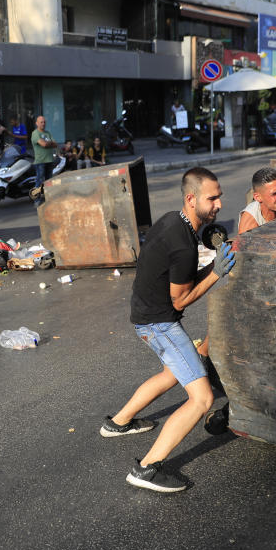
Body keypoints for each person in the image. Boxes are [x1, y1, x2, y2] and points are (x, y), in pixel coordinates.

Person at [100, 167, 235, 493]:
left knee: (172, 373)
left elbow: (180, 279)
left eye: (219, 196)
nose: (219, 204)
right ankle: (146, 468)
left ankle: (117, 423)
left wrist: (210, 265)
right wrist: (217, 273)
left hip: (144, 315)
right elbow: (182, 298)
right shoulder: (182, 243)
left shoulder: (173, 222)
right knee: (202, 399)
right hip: (159, 323)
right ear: (191, 199)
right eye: (212, 198)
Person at [30, 115, 56, 205]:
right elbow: (43, 144)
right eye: (41, 122)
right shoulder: (35, 133)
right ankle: (36, 200)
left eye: (44, 122)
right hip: (40, 161)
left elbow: (55, 144)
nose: (43, 123)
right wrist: (49, 143)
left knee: (48, 182)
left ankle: (48, 198)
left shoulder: (47, 133)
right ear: (37, 123)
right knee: (39, 181)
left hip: (50, 160)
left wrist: (47, 143)